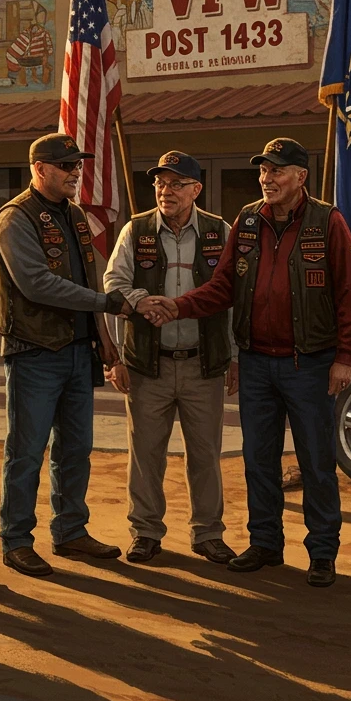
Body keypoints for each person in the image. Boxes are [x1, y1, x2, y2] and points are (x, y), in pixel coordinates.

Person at [148, 138, 351, 587]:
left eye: (277, 171)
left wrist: (345, 357)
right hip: (256, 364)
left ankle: (322, 552)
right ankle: (265, 543)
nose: (267, 179)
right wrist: (179, 306)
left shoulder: (329, 221)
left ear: (300, 178)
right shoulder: (247, 221)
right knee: (258, 460)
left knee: (316, 462)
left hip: (310, 364)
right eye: (263, 171)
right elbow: (224, 285)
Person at [0, 132, 130, 577]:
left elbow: (88, 280)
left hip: (77, 352)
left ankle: (71, 531)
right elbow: (37, 284)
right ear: (40, 169)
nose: (76, 172)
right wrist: (109, 304)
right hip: (34, 352)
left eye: (78, 165)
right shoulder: (15, 217)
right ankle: (16, 539)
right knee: (26, 451)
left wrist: (105, 340)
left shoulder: (72, 214)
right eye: (66, 166)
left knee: (76, 450)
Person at [103, 151, 237, 565]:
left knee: (205, 454)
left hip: (203, 363)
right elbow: (113, 283)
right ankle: (145, 532)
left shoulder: (220, 231)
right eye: (160, 183)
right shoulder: (135, 229)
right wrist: (143, 307)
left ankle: (207, 534)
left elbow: (234, 295)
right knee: (145, 455)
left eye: (176, 183)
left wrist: (233, 356)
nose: (166, 191)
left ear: (196, 190)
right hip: (148, 363)